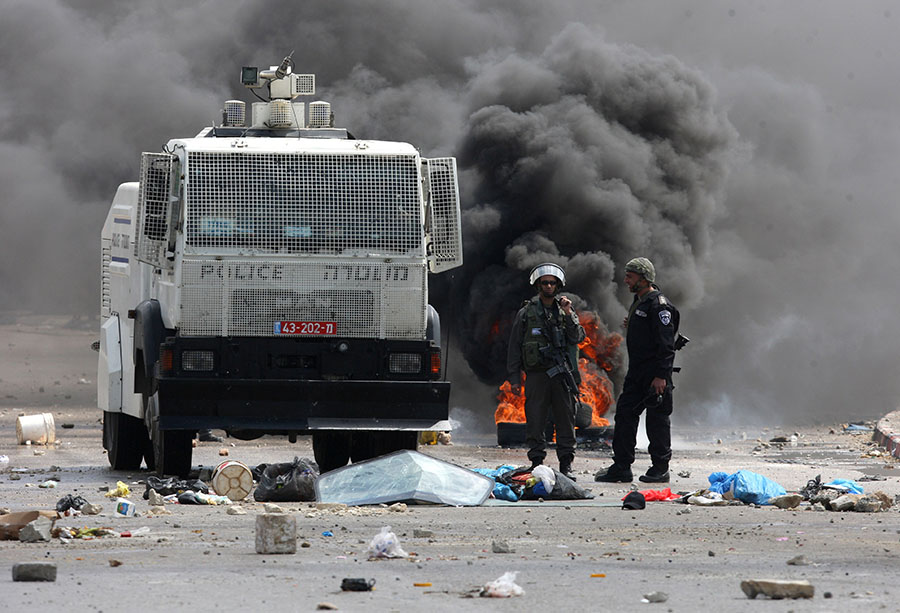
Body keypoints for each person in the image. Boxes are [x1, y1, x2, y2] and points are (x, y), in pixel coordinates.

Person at [596, 257, 679, 484]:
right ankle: (622, 466)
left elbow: (666, 345)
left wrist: (661, 376)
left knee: (657, 420)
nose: (625, 280)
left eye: (630, 276)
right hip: (637, 374)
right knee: (624, 415)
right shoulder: (640, 301)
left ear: (643, 279)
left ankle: (660, 468)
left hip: (655, 375)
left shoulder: (659, 305)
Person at [507, 263, 585, 479]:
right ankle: (536, 462)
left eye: (552, 282)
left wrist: (568, 313)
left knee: (566, 420)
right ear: (538, 285)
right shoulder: (526, 313)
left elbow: (578, 337)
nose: (549, 286)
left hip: (561, 375)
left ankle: (566, 464)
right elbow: (515, 346)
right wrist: (514, 378)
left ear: (558, 285)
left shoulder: (565, 310)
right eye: (545, 283)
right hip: (537, 375)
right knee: (535, 419)